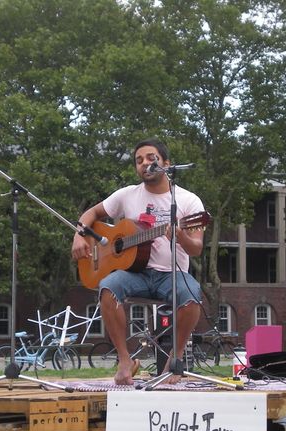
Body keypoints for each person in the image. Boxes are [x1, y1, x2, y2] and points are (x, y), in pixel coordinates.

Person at [71, 138, 205, 385]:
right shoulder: (127, 195)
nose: (144, 163)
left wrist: (180, 235)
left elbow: (196, 248)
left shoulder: (188, 201)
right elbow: (92, 214)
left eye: (151, 158)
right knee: (109, 287)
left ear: (166, 163)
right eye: (139, 160)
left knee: (192, 294)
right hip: (135, 273)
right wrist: (79, 234)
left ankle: (173, 361)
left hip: (170, 275)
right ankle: (125, 361)